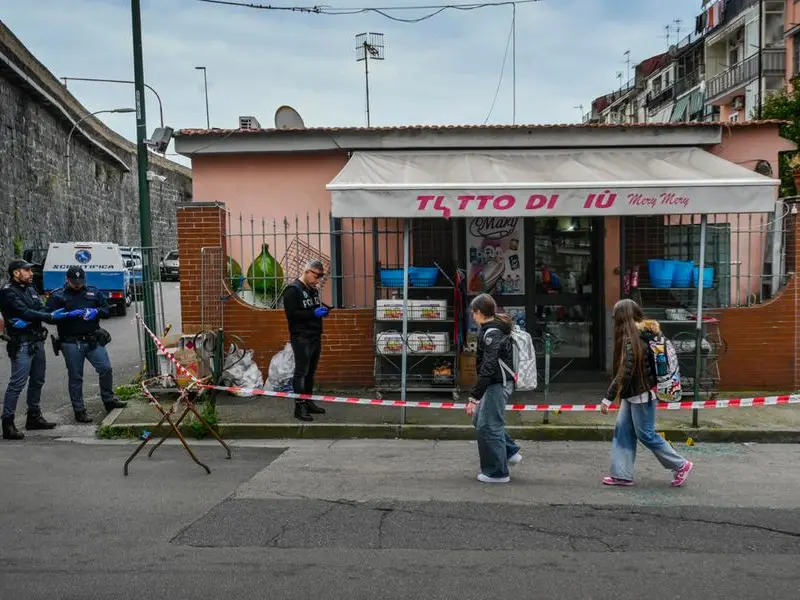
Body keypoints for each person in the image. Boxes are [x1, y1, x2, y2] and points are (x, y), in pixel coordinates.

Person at [600, 299, 693, 487]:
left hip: (642, 395)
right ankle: (622, 475)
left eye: (615, 316)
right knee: (624, 431)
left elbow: (624, 373)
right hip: (634, 394)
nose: (613, 319)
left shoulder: (633, 339)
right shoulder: (643, 334)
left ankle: (680, 464)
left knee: (646, 435)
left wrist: (608, 398)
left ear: (622, 317)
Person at [45, 266, 127, 423]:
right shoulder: (58, 296)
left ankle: (109, 400)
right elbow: (48, 317)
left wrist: (96, 311)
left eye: (80, 281)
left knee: (106, 368)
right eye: (74, 282)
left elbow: (107, 311)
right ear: (67, 279)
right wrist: (67, 315)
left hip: (93, 339)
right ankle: (79, 410)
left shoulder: (93, 292)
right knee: (76, 377)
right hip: (71, 342)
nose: (78, 284)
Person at [0, 259, 68, 440]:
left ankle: (34, 416)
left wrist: (53, 308)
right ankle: (7, 423)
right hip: (21, 342)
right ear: (16, 273)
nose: (31, 274)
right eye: (27, 270)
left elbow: (38, 307)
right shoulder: (8, 291)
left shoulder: (30, 289)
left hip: (37, 340)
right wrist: (48, 316)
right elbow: (25, 312)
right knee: (17, 383)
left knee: (38, 379)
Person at [465, 293, 522, 483]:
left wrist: (474, 397)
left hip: (498, 383)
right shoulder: (494, 328)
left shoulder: (492, 333)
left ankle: (497, 472)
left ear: (479, 312)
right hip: (496, 382)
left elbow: (488, 367)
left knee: (489, 425)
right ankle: (510, 451)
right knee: (479, 420)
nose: (472, 316)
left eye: (473, 312)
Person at [282, 259, 329, 422]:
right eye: (316, 276)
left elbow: (312, 307)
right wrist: (313, 314)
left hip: (315, 335)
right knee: (301, 372)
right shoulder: (292, 290)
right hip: (301, 337)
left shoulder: (313, 290)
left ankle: (308, 402)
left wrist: (323, 309)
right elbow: (292, 314)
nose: (318, 280)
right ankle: (299, 406)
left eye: (320, 277)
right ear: (307, 272)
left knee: (310, 372)